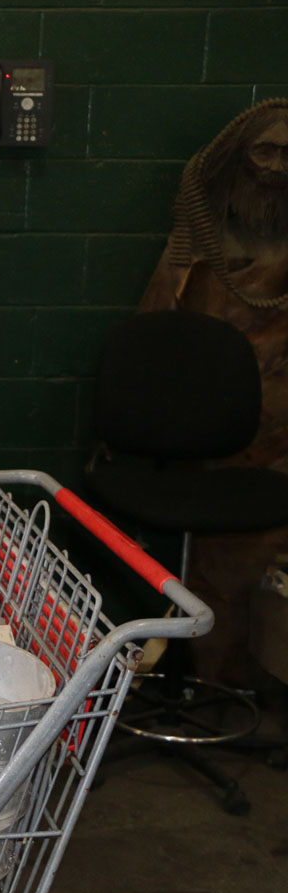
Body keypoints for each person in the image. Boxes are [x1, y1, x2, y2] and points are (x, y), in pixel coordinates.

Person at [139, 98, 288, 686]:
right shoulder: (200, 245)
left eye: (287, 154)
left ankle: (242, 678)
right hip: (198, 449)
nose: (276, 167)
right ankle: (203, 674)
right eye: (265, 151)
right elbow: (154, 336)